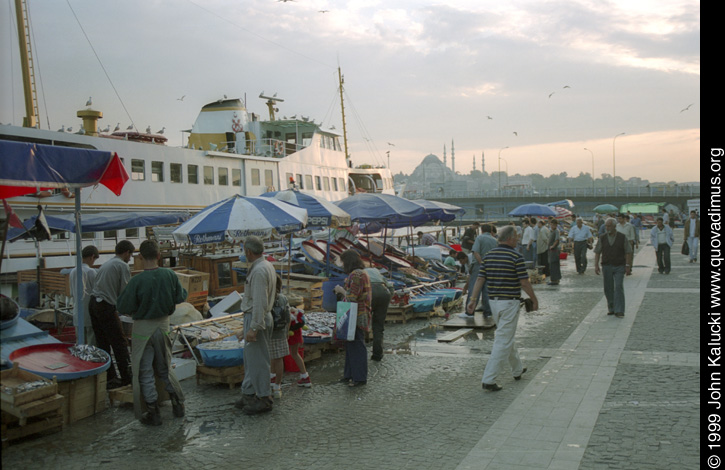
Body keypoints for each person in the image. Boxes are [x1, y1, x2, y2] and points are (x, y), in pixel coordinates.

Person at [116, 240, 187, 426]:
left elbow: (122, 306)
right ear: (159, 256)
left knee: (144, 370)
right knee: (165, 367)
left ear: (140, 257)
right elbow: (181, 296)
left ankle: (153, 411)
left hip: (142, 330)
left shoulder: (136, 280)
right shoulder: (169, 275)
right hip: (163, 326)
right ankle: (178, 403)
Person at [466, 225, 539, 391]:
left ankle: (517, 369)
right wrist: (534, 300)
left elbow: (480, 279)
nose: (518, 240)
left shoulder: (489, 256)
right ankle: (489, 379)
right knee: (503, 340)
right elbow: (524, 282)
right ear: (510, 238)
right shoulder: (516, 256)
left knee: (506, 335)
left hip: (494, 303)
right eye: (516, 237)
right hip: (509, 303)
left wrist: (472, 300)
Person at [236, 236, 277, 415]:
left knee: (259, 361)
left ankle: (264, 397)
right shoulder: (265, 265)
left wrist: (254, 327)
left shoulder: (260, 270)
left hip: (257, 317)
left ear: (248, 252)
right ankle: (249, 393)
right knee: (251, 359)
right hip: (255, 316)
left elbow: (260, 301)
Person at [89, 240, 135, 389]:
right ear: (127, 252)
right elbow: (125, 292)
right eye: (131, 254)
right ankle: (127, 378)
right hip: (105, 305)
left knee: (102, 343)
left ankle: (110, 378)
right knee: (120, 342)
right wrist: (133, 311)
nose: (130, 258)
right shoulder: (122, 265)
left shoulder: (107, 263)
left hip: (94, 303)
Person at [334, 250, 372, 387]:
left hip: (357, 314)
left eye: (343, 262)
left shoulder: (356, 275)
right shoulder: (363, 273)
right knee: (351, 344)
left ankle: (359, 378)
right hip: (359, 313)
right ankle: (349, 375)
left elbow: (351, 297)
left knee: (356, 345)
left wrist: (340, 290)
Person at [594, 218, 633, 318]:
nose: (607, 228)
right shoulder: (602, 238)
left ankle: (619, 310)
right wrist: (596, 265)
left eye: (609, 226)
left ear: (614, 226)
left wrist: (628, 265)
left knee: (618, 286)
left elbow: (628, 251)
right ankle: (611, 308)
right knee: (608, 288)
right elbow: (597, 252)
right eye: (606, 226)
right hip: (607, 266)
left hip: (619, 266)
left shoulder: (622, 237)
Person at [69, 245, 99, 346]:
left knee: (80, 343)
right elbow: (97, 292)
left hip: (77, 313)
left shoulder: (73, 271)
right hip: (90, 313)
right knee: (91, 344)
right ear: (92, 257)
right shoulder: (91, 272)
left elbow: (72, 293)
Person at [364, 265, 393, 362]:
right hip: (383, 292)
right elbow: (390, 287)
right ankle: (377, 354)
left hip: (369, 292)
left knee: (363, 323)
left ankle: (361, 352)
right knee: (378, 327)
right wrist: (388, 301)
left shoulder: (359, 272)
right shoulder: (376, 272)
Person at [469, 224, 497, 318]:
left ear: (481, 230)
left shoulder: (479, 238)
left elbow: (476, 252)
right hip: (492, 266)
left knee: (474, 288)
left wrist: (481, 263)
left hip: (479, 266)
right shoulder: (495, 240)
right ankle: (488, 312)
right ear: (491, 230)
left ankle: (470, 312)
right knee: (487, 290)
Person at [269, 276, 291, 399]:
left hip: (269, 333)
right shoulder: (283, 298)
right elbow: (288, 317)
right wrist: (286, 331)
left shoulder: (266, 298)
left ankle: (272, 383)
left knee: (270, 359)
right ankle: (277, 386)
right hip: (281, 332)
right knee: (278, 359)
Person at [288, 306, 311, 387]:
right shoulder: (298, 313)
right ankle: (305, 376)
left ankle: (274, 379)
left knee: (277, 357)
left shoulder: (289, 314)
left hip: (290, 336)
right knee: (295, 354)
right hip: (297, 336)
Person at [547, 219, 561, 285]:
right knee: (551, 265)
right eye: (551, 224)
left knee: (554, 264)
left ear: (556, 225)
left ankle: (555, 280)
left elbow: (557, 240)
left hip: (554, 250)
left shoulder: (556, 231)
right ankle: (554, 279)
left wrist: (552, 246)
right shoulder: (551, 231)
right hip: (550, 250)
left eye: (553, 225)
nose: (552, 226)